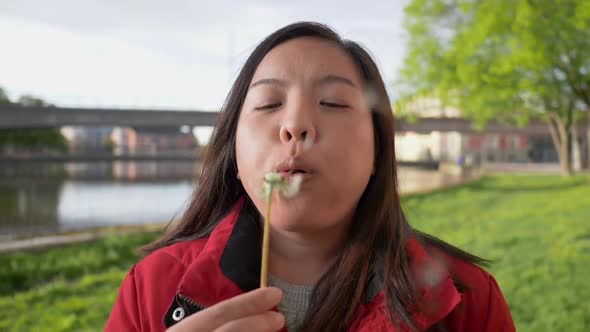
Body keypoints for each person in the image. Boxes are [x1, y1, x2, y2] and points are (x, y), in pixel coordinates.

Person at [105, 22, 515, 332]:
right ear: (233, 150)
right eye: (268, 104)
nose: (296, 125)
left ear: (378, 149)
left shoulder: (469, 302)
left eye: (333, 103)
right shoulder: (151, 289)